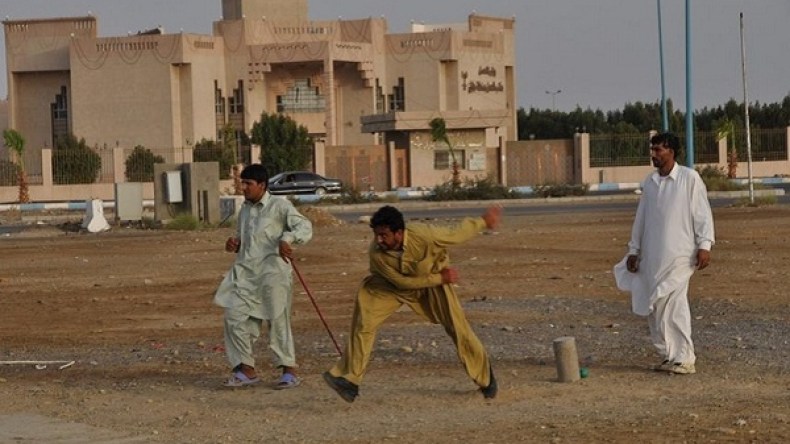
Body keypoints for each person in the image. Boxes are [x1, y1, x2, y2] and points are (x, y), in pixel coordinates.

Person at [323, 204, 502, 402]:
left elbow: (457, 233)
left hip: (431, 284)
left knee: (458, 328)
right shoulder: (376, 253)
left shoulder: (424, 235)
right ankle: (349, 380)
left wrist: (483, 221)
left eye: (384, 235)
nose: (379, 240)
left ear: (399, 233)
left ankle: (486, 380)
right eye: (376, 235)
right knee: (363, 325)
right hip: (392, 286)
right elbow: (402, 283)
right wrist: (440, 278)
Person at [614, 132, 715, 375]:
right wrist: (634, 250)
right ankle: (670, 355)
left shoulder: (689, 179)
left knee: (675, 305)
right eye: (652, 149)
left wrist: (705, 245)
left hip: (681, 256)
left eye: (658, 149)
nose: (654, 154)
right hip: (653, 258)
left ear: (672, 151)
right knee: (656, 308)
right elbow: (642, 219)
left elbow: (702, 214)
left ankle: (685, 358)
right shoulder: (650, 183)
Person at [213, 164, 313, 388]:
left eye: (248, 183)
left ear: (262, 185)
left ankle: (289, 371)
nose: (243, 187)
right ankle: (246, 370)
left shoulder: (280, 206)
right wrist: (233, 244)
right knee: (233, 317)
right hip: (246, 275)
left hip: (273, 274)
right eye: (242, 183)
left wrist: (288, 239)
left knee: (277, 321)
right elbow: (244, 240)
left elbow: (304, 226)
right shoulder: (245, 210)